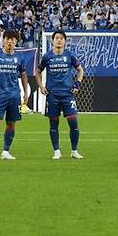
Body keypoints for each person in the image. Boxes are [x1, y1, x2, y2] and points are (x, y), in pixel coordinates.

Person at [35, 30, 85, 160]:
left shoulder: (69, 55)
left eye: (61, 38)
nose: (59, 40)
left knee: (73, 123)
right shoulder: (47, 56)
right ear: (52, 41)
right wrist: (41, 86)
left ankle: (74, 151)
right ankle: (56, 151)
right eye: (56, 38)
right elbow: (38, 72)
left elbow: (80, 70)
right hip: (52, 95)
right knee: (53, 124)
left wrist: (77, 84)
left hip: (68, 95)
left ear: (65, 41)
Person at [0, 29, 30, 161]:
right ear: (3, 40)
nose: (10, 41)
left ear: (16, 41)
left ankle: (5, 151)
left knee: (11, 124)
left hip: (15, 95)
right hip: (0, 95)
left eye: (13, 39)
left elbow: (24, 75)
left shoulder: (20, 57)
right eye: (7, 38)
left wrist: (26, 92)